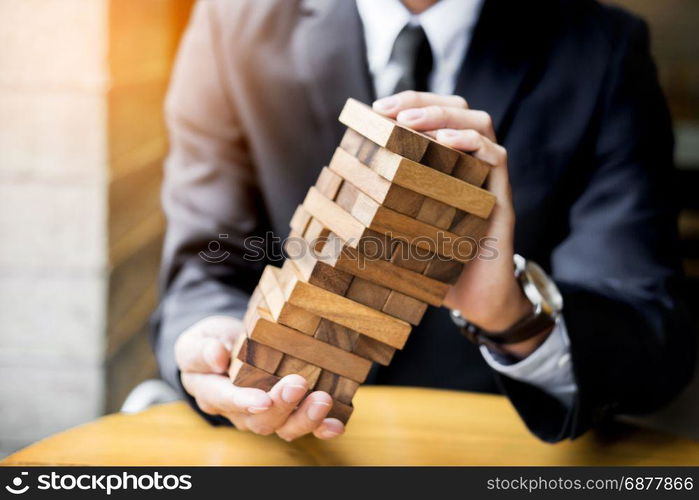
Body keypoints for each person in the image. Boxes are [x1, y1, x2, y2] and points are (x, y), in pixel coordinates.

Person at [152, 0, 695, 443]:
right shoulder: (230, 21)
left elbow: (651, 341)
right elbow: (204, 264)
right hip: (282, 452)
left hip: (489, 451)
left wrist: (510, 314)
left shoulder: (605, 49)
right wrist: (210, 344)